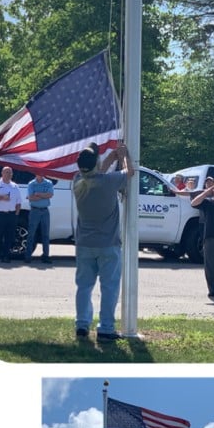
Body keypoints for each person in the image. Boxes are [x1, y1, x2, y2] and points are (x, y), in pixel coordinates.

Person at [72, 140, 136, 342]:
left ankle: (82, 325)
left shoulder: (77, 182)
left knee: (84, 287)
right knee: (109, 288)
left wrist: (110, 158)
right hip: (108, 244)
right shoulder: (108, 181)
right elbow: (129, 172)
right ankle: (106, 327)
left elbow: (96, 173)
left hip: (84, 244)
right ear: (96, 163)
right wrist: (124, 156)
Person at [0, 166, 22, 263]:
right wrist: (2, 197)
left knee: (9, 237)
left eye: (10, 172)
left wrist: (16, 214)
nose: (8, 174)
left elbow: (18, 202)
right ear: (2, 173)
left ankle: (5, 256)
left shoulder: (15, 186)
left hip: (11, 215)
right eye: (6, 172)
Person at [25, 173, 54, 263]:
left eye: (42, 172)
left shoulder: (48, 183)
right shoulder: (31, 184)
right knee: (31, 234)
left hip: (45, 211)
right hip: (34, 211)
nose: (40, 174)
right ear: (36, 173)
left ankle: (45, 255)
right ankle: (28, 256)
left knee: (46, 234)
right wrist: (43, 195)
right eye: (38, 172)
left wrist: (38, 194)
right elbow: (30, 197)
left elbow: (50, 195)